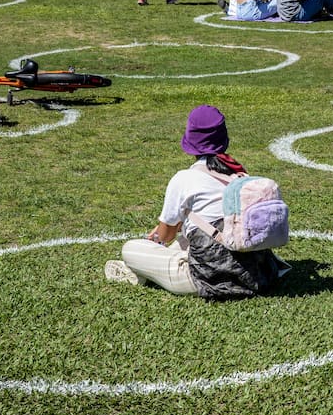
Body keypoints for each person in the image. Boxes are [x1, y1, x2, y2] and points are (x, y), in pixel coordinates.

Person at [104, 105, 288, 298]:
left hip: (208, 279)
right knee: (187, 237)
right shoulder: (239, 176)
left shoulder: (184, 179)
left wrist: (158, 236)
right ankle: (145, 270)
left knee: (131, 249)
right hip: (258, 274)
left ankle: (138, 270)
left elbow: (165, 237)